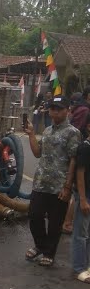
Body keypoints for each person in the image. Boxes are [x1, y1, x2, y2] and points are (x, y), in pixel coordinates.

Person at [24, 95, 81, 267]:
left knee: (55, 222)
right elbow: (37, 153)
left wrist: (67, 186)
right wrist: (31, 134)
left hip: (59, 186)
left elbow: (73, 159)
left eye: (59, 109)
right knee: (34, 216)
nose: (54, 112)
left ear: (67, 111)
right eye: (52, 109)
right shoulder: (48, 130)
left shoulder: (73, 132)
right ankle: (40, 245)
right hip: (41, 182)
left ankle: (49, 253)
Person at [62, 92, 87, 235]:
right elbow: (78, 130)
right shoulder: (84, 110)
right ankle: (67, 222)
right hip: (82, 152)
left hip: (78, 151)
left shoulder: (79, 109)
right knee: (77, 191)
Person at [72, 113, 90, 283]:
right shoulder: (84, 147)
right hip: (85, 194)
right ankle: (79, 268)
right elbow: (80, 172)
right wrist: (83, 199)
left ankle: (87, 266)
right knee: (81, 233)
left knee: (88, 232)